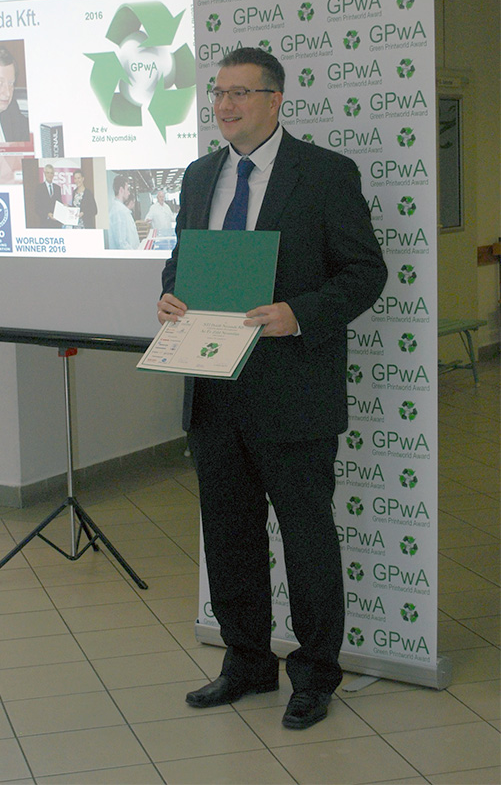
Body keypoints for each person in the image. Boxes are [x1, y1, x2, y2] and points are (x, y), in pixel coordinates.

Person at [158, 47, 387, 730]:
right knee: (230, 537)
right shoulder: (199, 176)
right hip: (214, 389)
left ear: (275, 99)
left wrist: (299, 313)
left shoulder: (325, 174)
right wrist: (170, 294)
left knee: (306, 538)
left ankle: (314, 675)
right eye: (218, 93)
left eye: (239, 93)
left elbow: (364, 272)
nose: (224, 106)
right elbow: (183, 259)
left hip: (293, 393)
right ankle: (247, 664)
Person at [109, 175, 139, 249]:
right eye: (127, 189)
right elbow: (121, 243)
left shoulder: (121, 209)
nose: (129, 193)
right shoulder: (119, 211)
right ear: (121, 190)